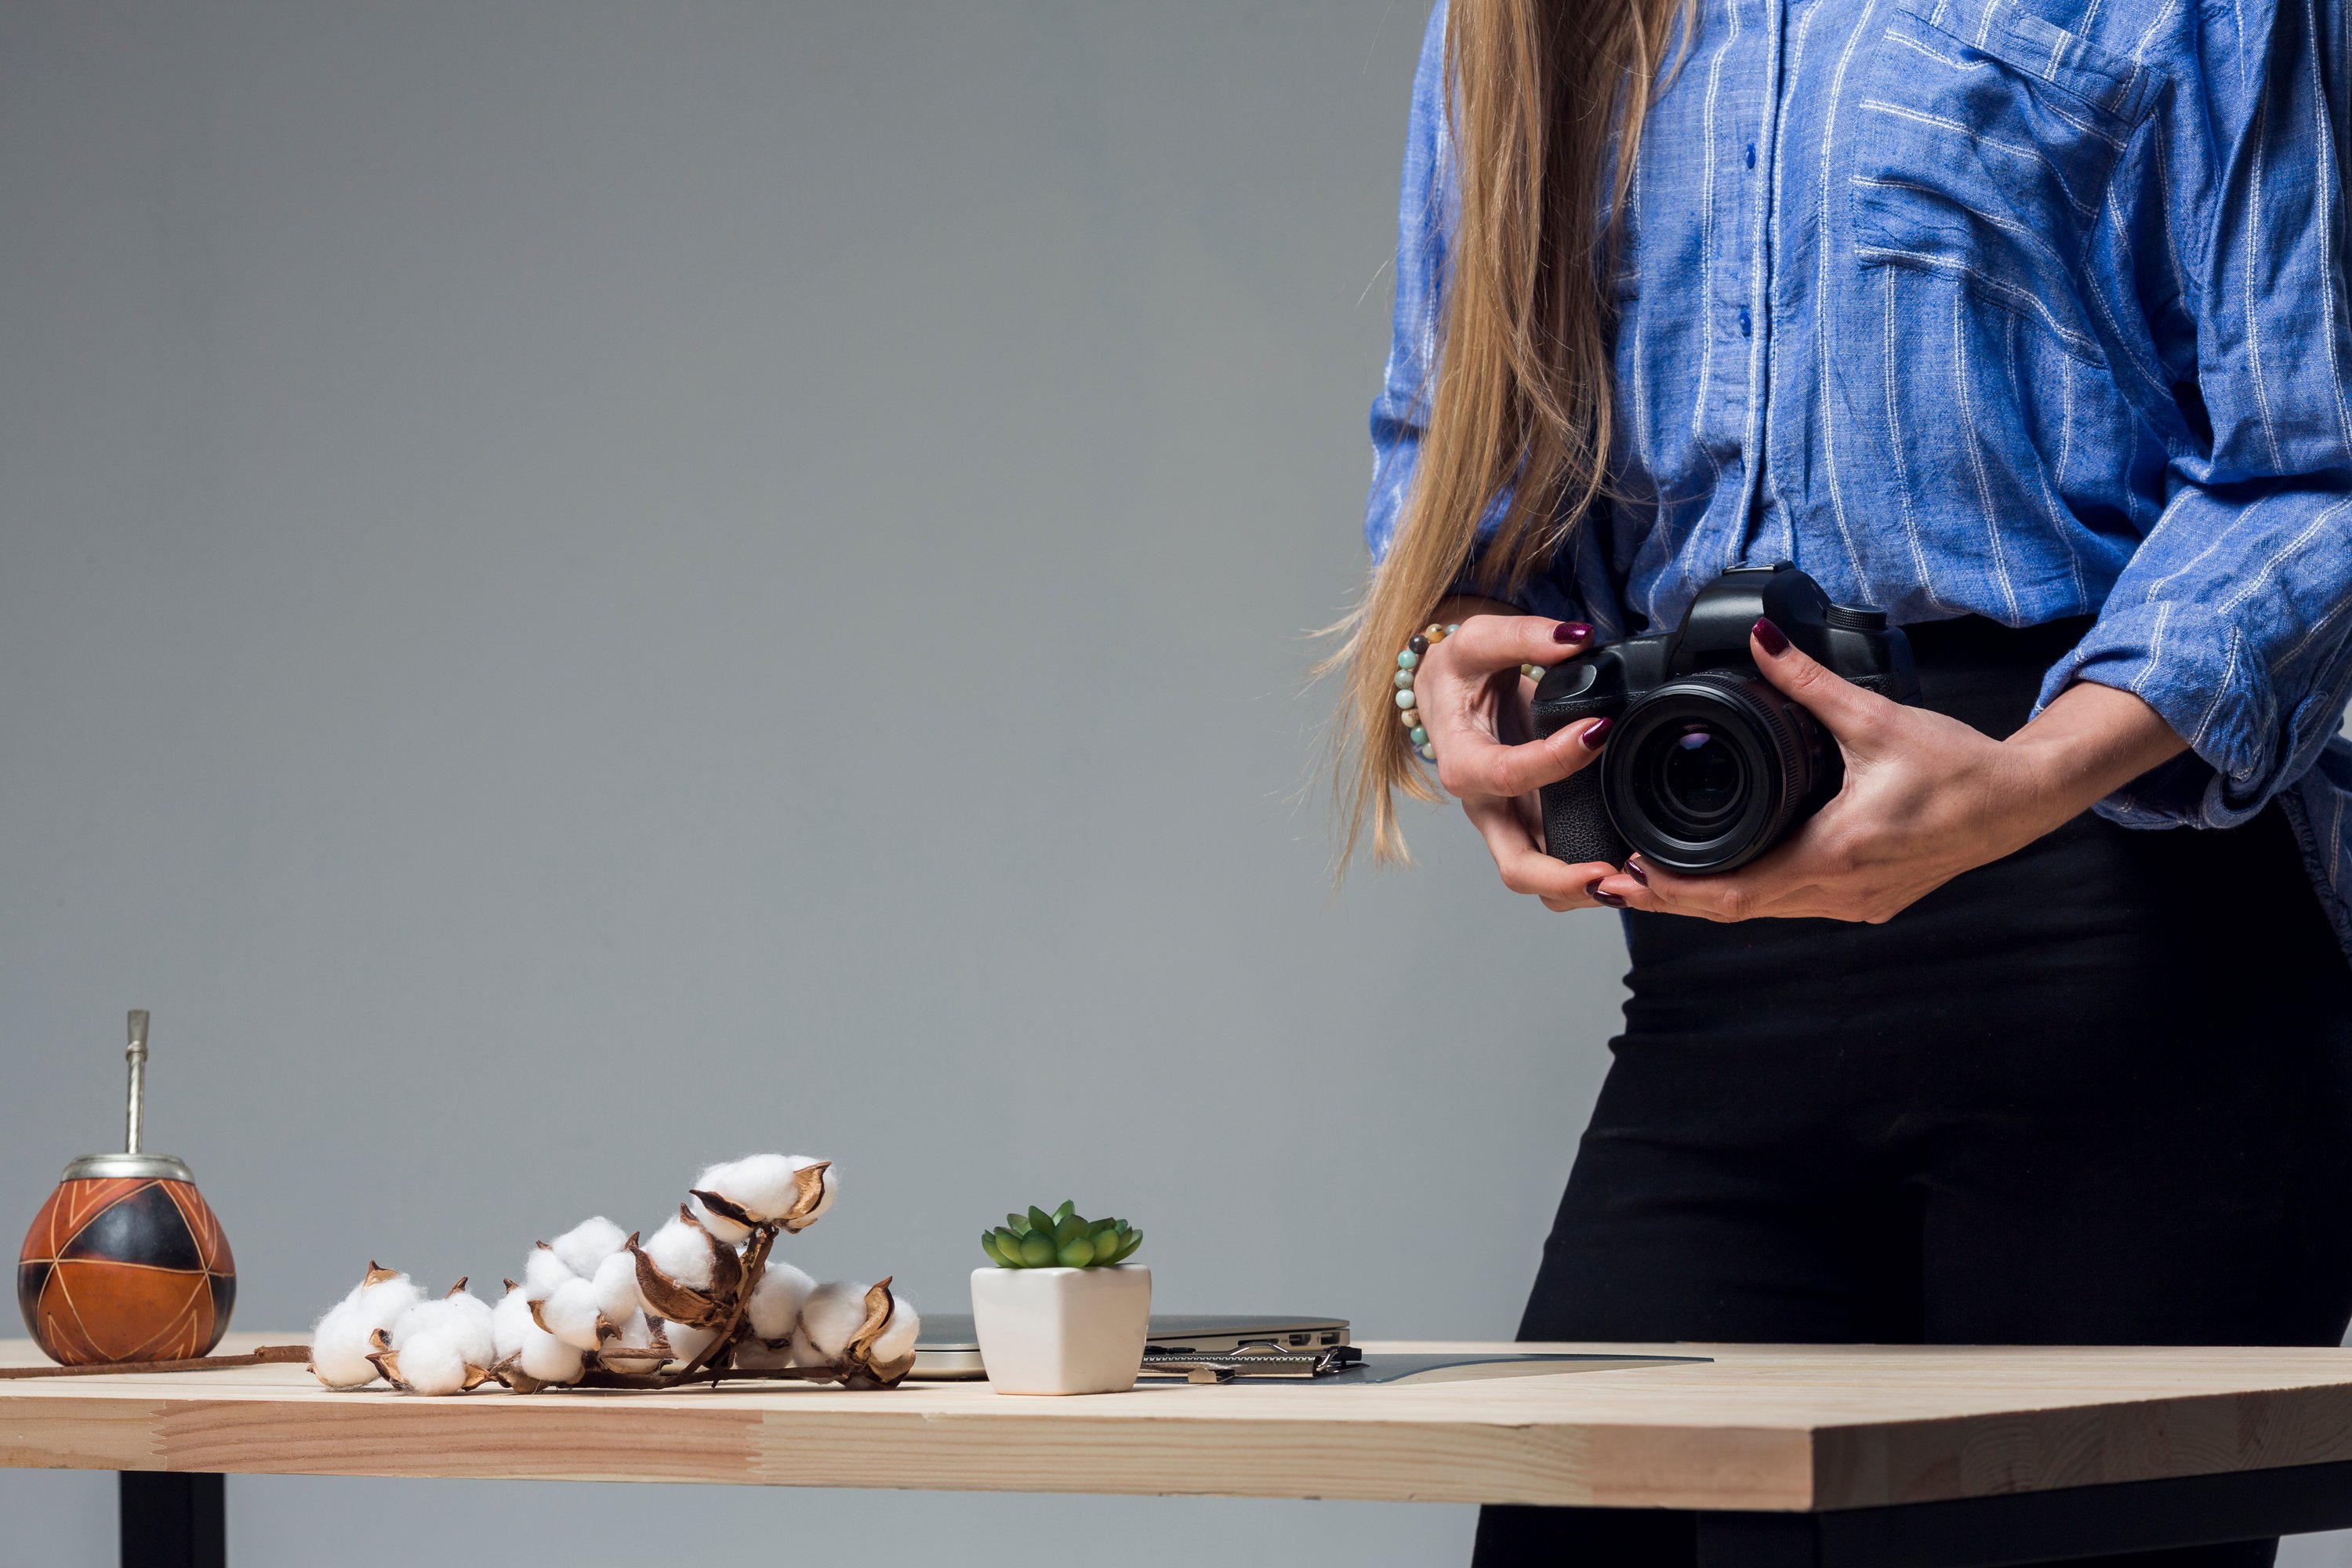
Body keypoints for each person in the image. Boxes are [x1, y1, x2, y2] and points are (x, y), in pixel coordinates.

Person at [1335, 1, 2352, 1563]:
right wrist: (1451, 657)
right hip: (1707, 986)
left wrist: (2029, 777)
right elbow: (1451, 456)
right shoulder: (1517, 22)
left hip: (2131, 986)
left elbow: (2319, 460)